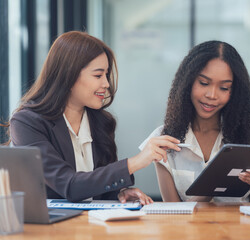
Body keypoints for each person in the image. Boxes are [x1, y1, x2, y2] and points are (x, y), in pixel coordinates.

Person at [9, 31, 181, 204]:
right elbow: (69, 185)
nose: (106, 84)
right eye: (98, 75)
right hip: (51, 228)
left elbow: (96, 187)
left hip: (92, 227)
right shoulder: (27, 123)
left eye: (106, 75)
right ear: (68, 75)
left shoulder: (101, 122)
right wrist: (136, 162)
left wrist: (120, 193)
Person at [140, 40, 250, 202]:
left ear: (235, 91)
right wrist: (209, 187)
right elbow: (173, 215)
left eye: (224, 88)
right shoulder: (164, 139)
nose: (212, 95)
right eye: (204, 83)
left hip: (240, 228)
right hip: (187, 228)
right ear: (187, 82)